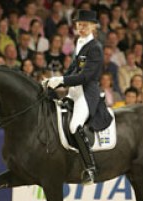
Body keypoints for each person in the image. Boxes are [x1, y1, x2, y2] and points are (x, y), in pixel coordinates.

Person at [46, 9, 112, 185]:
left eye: (85, 25)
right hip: (73, 92)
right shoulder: (80, 42)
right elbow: (73, 68)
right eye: (79, 24)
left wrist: (61, 79)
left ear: (92, 26)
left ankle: (91, 168)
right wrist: (56, 82)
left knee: (75, 125)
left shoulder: (95, 48)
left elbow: (86, 76)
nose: (81, 27)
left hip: (86, 94)